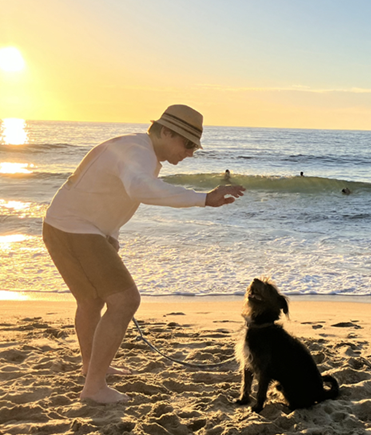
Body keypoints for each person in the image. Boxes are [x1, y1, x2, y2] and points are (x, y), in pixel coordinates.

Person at [42, 104, 245, 404]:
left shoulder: (134, 147)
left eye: (194, 147)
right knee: (125, 301)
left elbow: (102, 193)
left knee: (91, 300)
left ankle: (91, 369)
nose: (190, 152)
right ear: (166, 131)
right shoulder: (138, 151)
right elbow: (140, 189)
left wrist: (110, 236)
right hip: (76, 229)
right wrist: (203, 199)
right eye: (187, 143)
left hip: (61, 226)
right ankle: (94, 387)